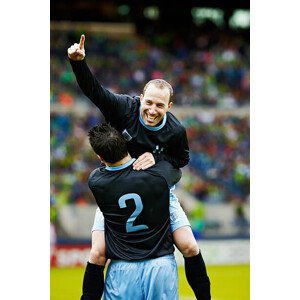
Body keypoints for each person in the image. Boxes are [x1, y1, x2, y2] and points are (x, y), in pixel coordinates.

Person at [68, 34, 211, 300]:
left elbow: (181, 161)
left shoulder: (175, 130)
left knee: (190, 247)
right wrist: (78, 63)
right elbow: (95, 92)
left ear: (169, 106)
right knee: (97, 254)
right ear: (140, 98)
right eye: (148, 102)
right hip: (116, 190)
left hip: (157, 192)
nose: (152, 110)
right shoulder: (124, 108)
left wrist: (157, 164)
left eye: (160, 105)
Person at [84, 123, 179, 299]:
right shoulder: (157, 175)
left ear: (99, 157)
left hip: (122, 267)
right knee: (190, 245)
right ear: (125, 144)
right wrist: (153, 156)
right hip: (160, 262)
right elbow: (176, 169)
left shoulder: (96, 181)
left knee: (96, 251)